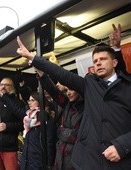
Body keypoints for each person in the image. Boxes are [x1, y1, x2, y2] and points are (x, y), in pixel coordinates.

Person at [16, 29, 131, 170]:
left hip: (120, 162)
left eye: (103, 59)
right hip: (87, 162)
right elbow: (62, 74)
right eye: (95, 61)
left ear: (114, 62)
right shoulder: (89, 84)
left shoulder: (127, 88)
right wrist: (33, 58)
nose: (98, 63)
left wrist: (122, 146)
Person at [37, 69, 84, 170]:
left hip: (77, 160)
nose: (68, 93)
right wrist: (42, 75)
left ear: (79, 89)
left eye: (71, 89)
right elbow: (53, 92)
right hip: (60, 158)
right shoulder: (67, 104)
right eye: (67, 90)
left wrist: (61, 131)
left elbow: (81, 136)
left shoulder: (87, 108)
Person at [20, 91, 56, 170]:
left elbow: (49, 143)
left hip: (38, 161)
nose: (30, 102)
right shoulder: (28, 118)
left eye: (33, 100)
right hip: (27, 159)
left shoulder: (46, 119)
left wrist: (49, 164)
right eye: (29, 100)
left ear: (40, 101)